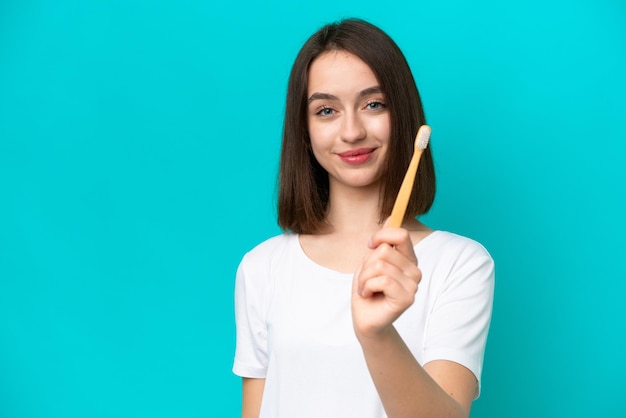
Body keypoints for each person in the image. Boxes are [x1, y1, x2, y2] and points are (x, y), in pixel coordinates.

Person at [232, 18, 494, 418]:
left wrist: (376, 334)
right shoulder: (262, 267)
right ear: (303, 130)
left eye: (373, 104)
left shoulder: (460, 264)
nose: (352, 131)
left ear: (403, 114)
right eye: (326, 111)